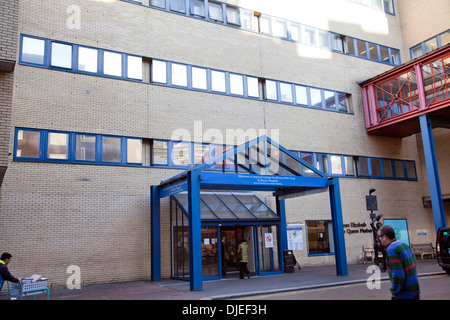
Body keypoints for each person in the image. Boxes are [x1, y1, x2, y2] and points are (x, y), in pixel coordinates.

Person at [377, 225, 420, 300]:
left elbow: (398, 274)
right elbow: (413, 264)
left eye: (379, 237)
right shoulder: (403, 244)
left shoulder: (391, 249)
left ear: (385, 237)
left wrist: (394, 292)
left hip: (404, 294)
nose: (379, 239)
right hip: (414, 290)